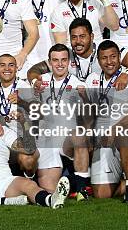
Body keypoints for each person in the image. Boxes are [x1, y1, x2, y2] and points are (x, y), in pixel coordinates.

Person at [85, 40, 128, 203]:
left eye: (113, 57)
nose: (109, 61)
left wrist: (114, 130)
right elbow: (88, 111)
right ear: (98, 61)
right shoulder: (92, 80)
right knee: (102, 194)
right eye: (104, 58)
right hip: (103, 138)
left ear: (120, 57)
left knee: (124, 135)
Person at [30, 44, 88, 196]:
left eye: (63, 60)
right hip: (46, 139)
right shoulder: (40, 81)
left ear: (69, 61)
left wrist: (85, 99)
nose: (60, 64)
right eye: (55, 60)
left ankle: (82, 190)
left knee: (79, 135)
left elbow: (89, 115)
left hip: (67, 138)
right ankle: (72, 185)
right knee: (49, 190)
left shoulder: (78, 84)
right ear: (49, 62)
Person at [51, 0, 119, 46]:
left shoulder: (96, 4)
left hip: (96, 53)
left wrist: (104, 0)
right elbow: (61, 45)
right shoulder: (58, 11)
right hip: (73, 55)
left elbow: (114, 26)